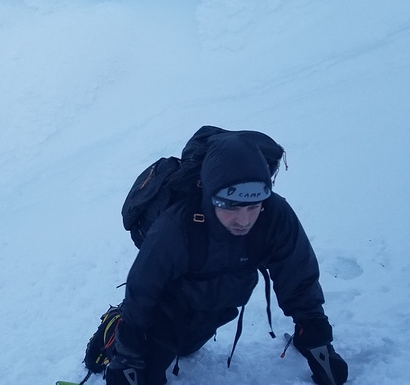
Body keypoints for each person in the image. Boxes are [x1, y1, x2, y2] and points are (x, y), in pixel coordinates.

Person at [105, 136, 348, 385]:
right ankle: (116, 326)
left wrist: (315, 333)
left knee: (187, 348)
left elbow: (297, 273)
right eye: (231, 207)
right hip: (168, 307)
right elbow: (143, 287)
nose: (243, 220)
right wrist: (128, 355)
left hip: (220, 304)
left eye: (252, 207)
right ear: (211, 197)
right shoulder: (177, 224)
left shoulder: (275, 215)